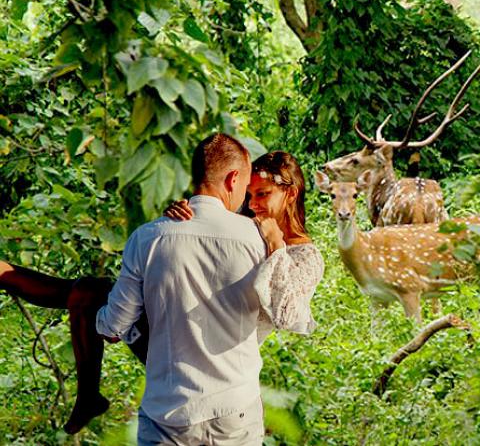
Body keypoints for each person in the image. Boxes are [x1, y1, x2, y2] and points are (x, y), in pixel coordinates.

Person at [96, 133, 268, 445]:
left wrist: (96, 313)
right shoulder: (258, 239)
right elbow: (277, 312)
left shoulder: (147, 238)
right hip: (236, 411)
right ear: (233, 179)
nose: (246, 200)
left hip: (169, 415)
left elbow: (112, 328)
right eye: (245, 189)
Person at [165, 150, 324, 341]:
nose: (253, 204)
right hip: (175, 333)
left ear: (290, 193)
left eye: (262, 194)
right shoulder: (242, 228)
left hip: (228, 358)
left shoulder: (307, 257)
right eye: (249, 196)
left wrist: (276, 244)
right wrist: (184, 216)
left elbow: (285, 316)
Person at [0, 263, 148, 434]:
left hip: (171, 354)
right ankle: (88, 398)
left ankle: (88, 398)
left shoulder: (148, 244)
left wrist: (104, 322)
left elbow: (112, 331)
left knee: (87, 295)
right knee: (85, 292)